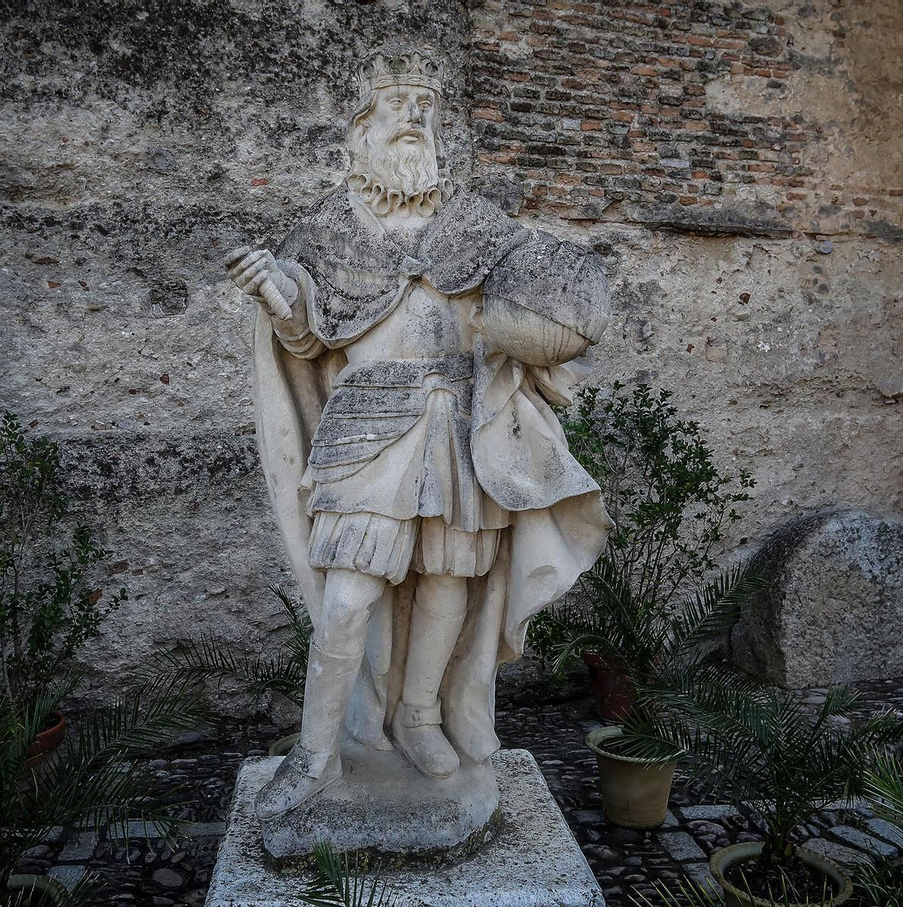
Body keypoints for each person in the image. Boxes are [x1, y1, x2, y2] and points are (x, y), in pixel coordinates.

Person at [228, 43, 611, 821]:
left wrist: (564, 315)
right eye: (395, 114)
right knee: (348, 598)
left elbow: (535, 292)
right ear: (358, 137)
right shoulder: (328, 230)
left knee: (448, 582)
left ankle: (421, 716)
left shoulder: (476, 225)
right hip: (367, 430)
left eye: (425, 117)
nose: (413, 125)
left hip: (461, 427)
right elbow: (306, 337)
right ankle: (315, 754)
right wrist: (274, 291)